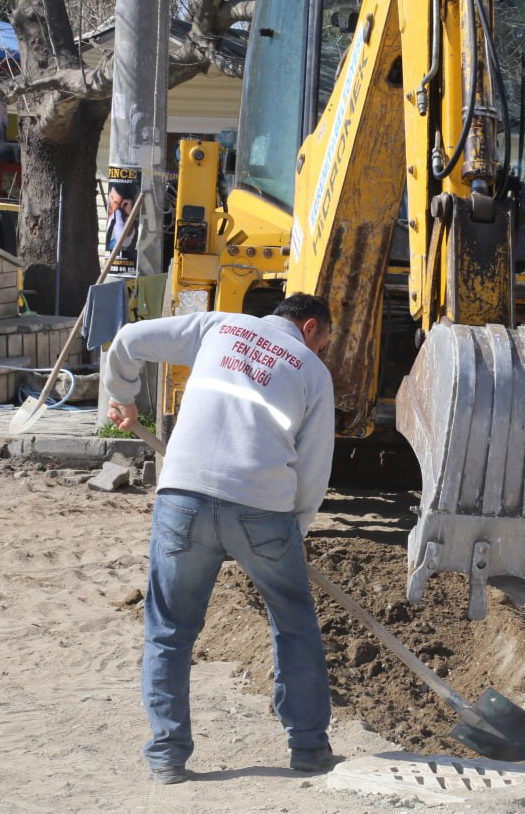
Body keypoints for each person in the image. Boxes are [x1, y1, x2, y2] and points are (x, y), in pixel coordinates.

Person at [102, 293, 337, 784]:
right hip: (262, 508)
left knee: (169, 631)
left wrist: (123, 395)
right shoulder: (312, 371)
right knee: (294, 626)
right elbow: (314, 468)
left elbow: (126, 340)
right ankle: (309, 750)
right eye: (324, 342)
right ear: (310, 328)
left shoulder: (217, 327)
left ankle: (167, 758)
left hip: (182, 499)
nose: (322, 351)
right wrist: (295, 530)